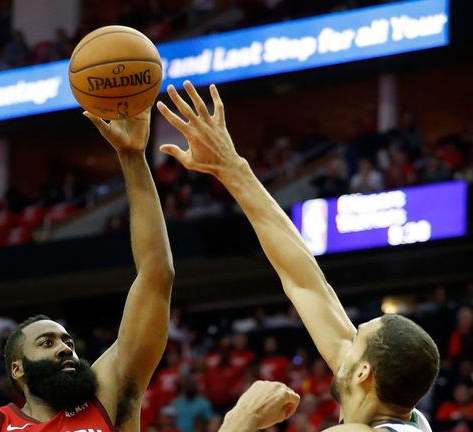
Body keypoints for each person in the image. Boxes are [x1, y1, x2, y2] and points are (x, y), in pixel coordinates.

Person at [156, 80, 440, 431]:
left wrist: (240, 421)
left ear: (364, 372)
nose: (345, 338)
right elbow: (304, 280)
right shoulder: (409, 419)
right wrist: (231, 168)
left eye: (356, 339)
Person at [0, 106, 175, 432]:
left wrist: (132, 158)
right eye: (47, 343)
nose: (65, 348)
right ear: (18, 368)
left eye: (67, 343)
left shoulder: (105, 395)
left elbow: (157, 274)